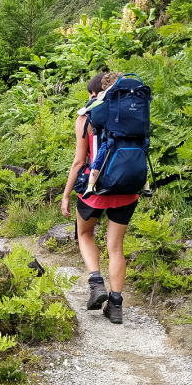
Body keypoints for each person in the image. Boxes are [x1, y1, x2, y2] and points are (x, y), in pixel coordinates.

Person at [61, 72, 139, 324]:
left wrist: (65, 195)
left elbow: (78, 162)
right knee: (116, 247)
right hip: (129, 189)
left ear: (95, 93)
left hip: (96, 189)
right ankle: (116, 306)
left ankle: (96, 283)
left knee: (84, 234)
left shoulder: (87, 117)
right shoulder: (134, 113)